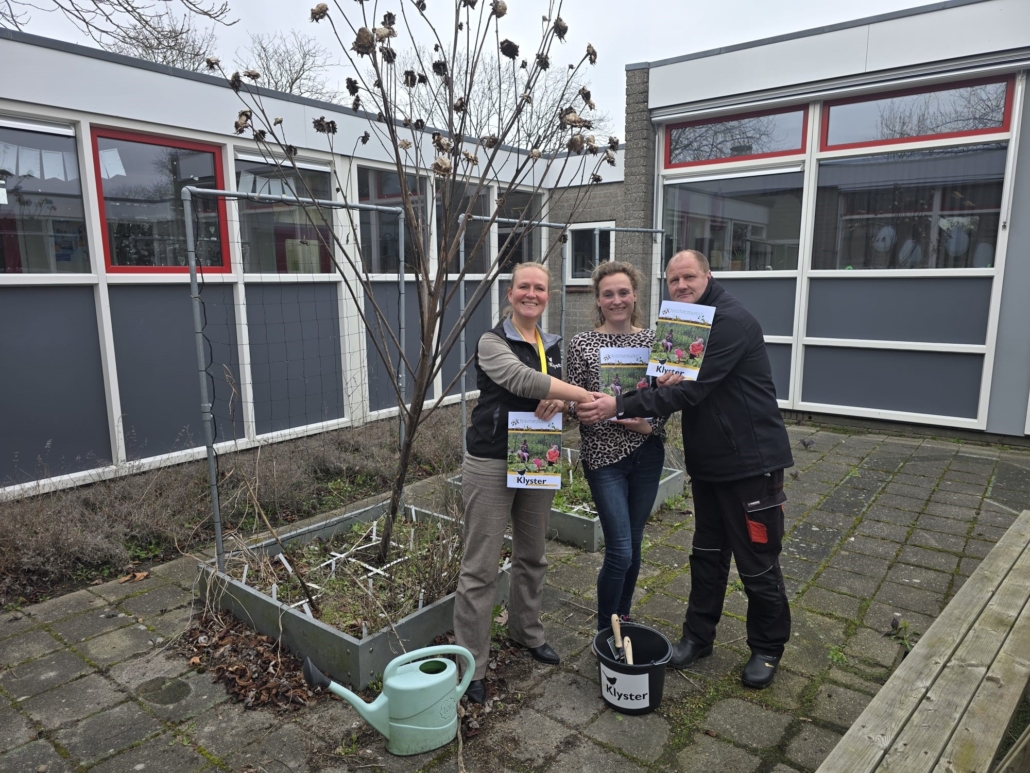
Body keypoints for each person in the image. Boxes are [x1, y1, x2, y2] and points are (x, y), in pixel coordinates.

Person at [577, 250, 794, 689]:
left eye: (689, 277)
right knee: (706, 556)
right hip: (711, 465)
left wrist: (619, 404)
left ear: (707, 275)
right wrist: (654, 385)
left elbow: (688, 393)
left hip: (750, 464)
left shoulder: (730, 322)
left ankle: (768, 647)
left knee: (756, 561)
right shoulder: (685, 321)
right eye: (673, 279)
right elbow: (665, 384)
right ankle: (698, 637)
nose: (681, 285)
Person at [454, 261, 593, 705]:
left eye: (540, 288)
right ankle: (472, 664)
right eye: (524, 287)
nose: (532, 294)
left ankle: (526, 632)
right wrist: (578, 394)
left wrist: (564, 404)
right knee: (480, 567)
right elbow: (522, 380)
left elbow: (557, 401)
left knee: (533, 555)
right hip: (491, 460)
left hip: (536, 452)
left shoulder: (551, 345)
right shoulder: (492, 341)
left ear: (548, 296)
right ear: (510, 293)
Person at [566, 261, 680, 629]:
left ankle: (623, 616)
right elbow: (572, 398)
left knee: (635, 542)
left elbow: (667, 397)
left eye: (623, 292)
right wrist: (581, 411)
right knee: (620, 551)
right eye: (608, 294)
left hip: (646, 452)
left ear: (634, 296)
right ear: (598, 300)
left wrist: (649, 425)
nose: (617, 300)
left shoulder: (654, 341)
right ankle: (606, 629)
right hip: (603, 458)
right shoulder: (581, 344)